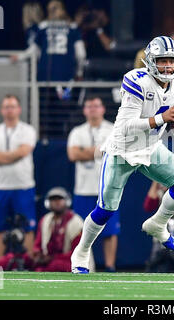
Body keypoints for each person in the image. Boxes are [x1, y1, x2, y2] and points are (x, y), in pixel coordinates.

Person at [70, 35, 174, 274]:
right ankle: (82, 251)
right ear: (149, 61)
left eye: (171, 61)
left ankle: (158, 223)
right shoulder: (136, 80)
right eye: (162, 61)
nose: (168, 66)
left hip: (150, 147)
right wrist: (162, 118)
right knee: (105, 210)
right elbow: (126, 126)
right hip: (122, 150)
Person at [0, 187, 95, 272]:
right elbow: (38, 244)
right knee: (15, 258)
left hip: (70, 261)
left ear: (67, 201)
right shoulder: (46, 220)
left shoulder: (76, 222)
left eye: (59, 199)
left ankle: (41, 271)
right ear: (48, 202)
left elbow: (80, 251)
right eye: (53, 199)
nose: (57, 202)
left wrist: (50, 258)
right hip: (47, 259)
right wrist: (37, 254)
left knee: (55, 265)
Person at [13, 0, 87, 138]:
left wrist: (19, 57)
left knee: (46, 111)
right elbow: (81, 54)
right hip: (66, 79)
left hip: (46, 78)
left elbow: (33, 51)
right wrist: (79, 72)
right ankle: (63, 138)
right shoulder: (72, 28)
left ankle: (49, 139)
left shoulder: (43, 27)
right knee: (63, 110)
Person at [0, 94, 37, 260]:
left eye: (12, 106)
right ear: (1, 110)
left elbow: (24, 152)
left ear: (19, 109)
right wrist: (12, 155)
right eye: (6, 106)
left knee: (27, 228)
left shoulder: (27, 130)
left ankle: (28, 264)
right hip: (1, 187)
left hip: (23, 186)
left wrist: (0, 156)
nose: (9, 110)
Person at [67, 96, 118, 272]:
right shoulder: (77, 132)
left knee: (110, 231)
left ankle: (110, 266)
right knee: (82, 232)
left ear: (103, 109)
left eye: (96, 106)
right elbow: (73, 155)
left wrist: (86, 151)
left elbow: (115, 153)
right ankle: (84, 264)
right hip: (83, 190)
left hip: (107, 188)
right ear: (84, 110)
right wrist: (99, 151)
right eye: (89, 106)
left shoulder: (113, 129)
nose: (93, 109)